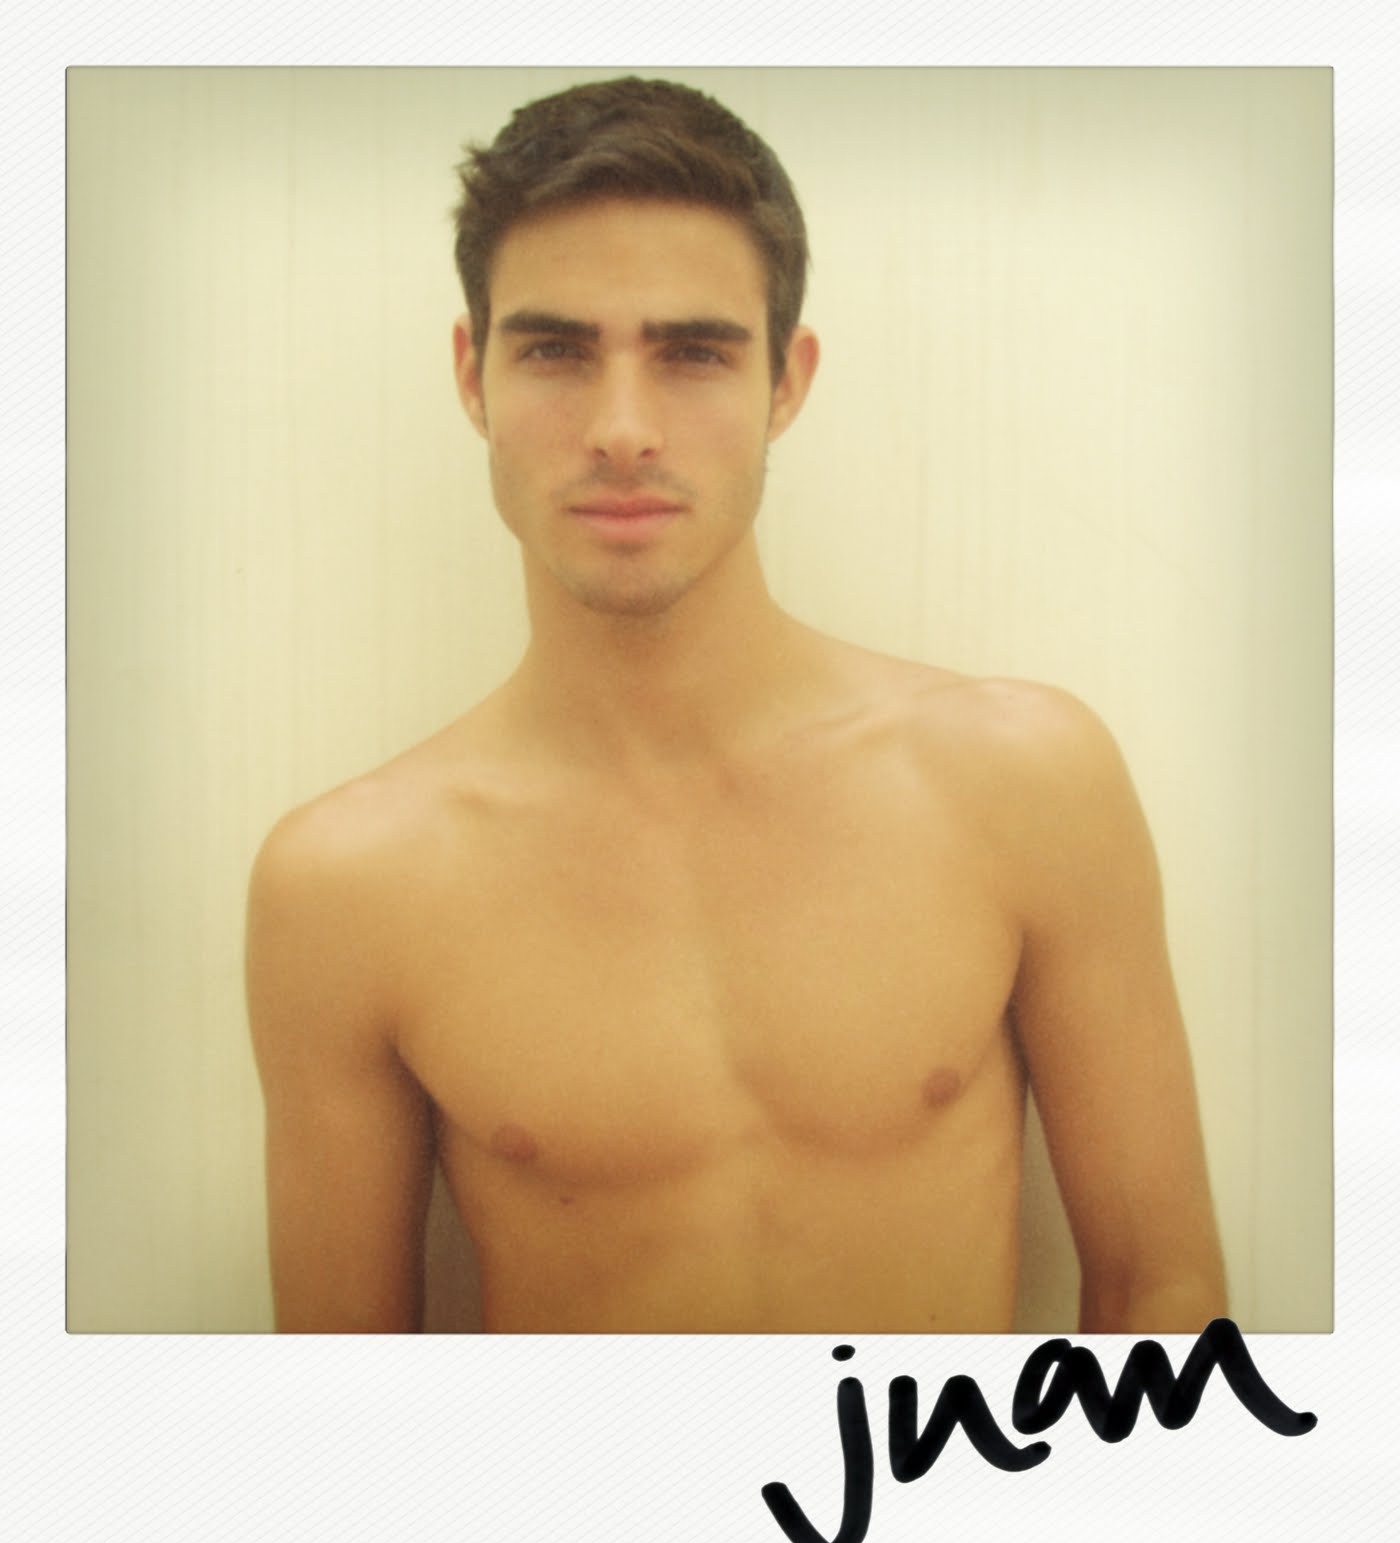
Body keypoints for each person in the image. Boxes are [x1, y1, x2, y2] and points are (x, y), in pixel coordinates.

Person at [246, 76, 1227, 1334]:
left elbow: (1161, 1294)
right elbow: (341, 1403)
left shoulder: (1022, 782)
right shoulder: (344, 889)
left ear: (785, 382)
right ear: (471, 375)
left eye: (693, 353)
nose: (621, 429)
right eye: (554, 350)